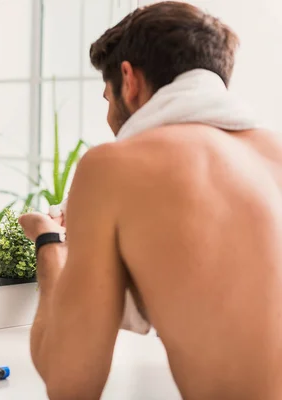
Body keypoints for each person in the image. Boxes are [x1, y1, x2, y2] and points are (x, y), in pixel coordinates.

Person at [19, 2, 282, 399]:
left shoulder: (114, 165)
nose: (110, 119)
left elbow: (69, 383)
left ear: (129, 79)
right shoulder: (272, 151)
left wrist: (48, 240)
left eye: (107, 98)